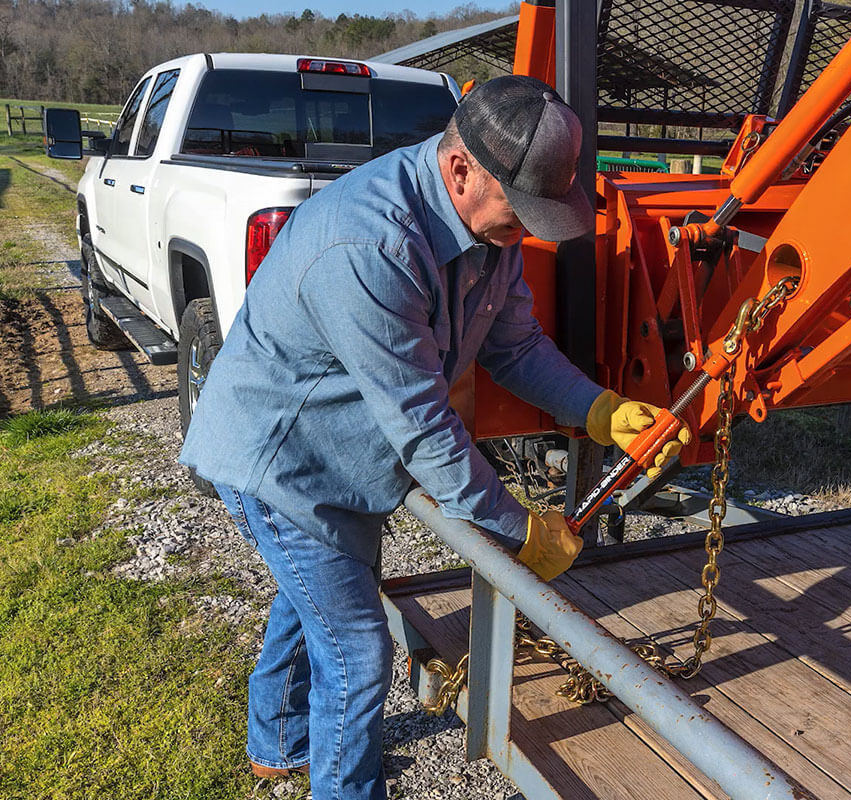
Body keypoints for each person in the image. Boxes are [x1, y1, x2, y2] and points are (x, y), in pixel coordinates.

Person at [178, 75, 688, 800]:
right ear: (460, 169)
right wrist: (517, 529)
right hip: (281, 459)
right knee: (356, 651)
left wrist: (601, 407)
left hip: (340, 449)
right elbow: (423, 430)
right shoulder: (372, 244)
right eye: (522, 214)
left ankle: (280, 743)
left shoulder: (487, 226)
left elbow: (514, 346)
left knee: (313, 601)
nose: (526, 234)